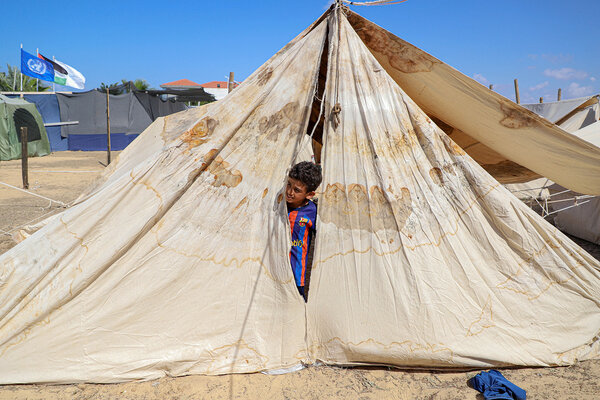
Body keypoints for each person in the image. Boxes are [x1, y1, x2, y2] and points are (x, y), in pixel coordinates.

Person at [286, 161, 322, 301]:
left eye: (297, 190)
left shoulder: (313, 212)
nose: (290, 192)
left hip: (297, 275)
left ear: (309, 194)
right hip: (274, 268)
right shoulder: (279, 204)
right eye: (289, 184)